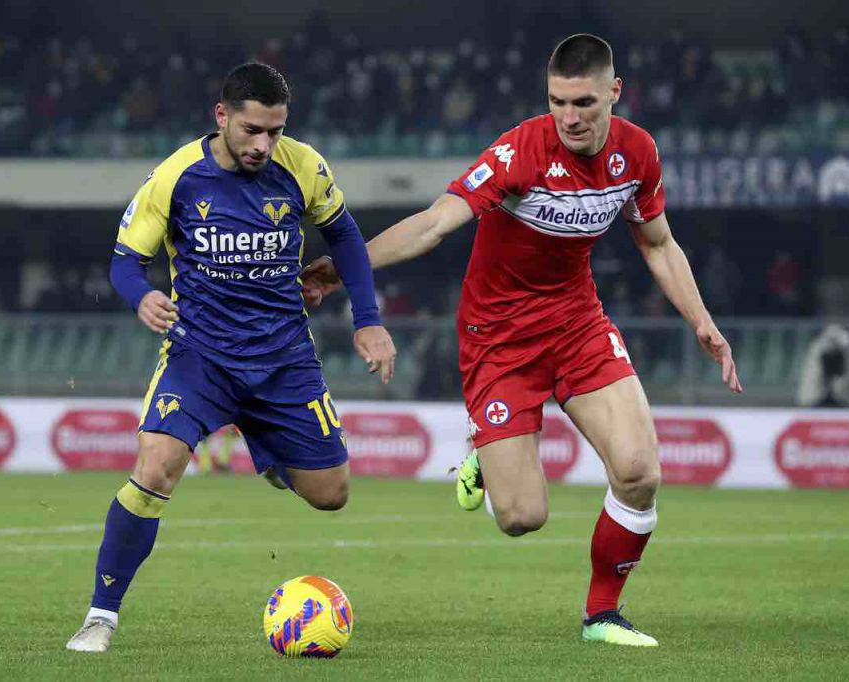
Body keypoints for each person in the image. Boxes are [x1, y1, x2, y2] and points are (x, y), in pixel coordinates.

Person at [302, 34, 742, 647]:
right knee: (520, 517)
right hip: (499, 339)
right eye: (558, 101)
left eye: (584, 102)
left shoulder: (637, 154)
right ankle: (485, 450)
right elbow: (432, 224)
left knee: (640, 471)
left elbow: (658, 242)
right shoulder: (518, 154)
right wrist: (336, 271)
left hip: (578, 324)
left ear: (614, 93)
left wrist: (702, 321)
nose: (569, 117)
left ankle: (602, 614)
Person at [65, 63, 395, 653]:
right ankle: (100, 616)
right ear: (222, 117)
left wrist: (368, 322)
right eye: (253, 130)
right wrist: (142, 296)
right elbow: (123, 260)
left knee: (332, 494)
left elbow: (344, 236)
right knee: (155, 470)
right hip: (201, 357)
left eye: (275, 131)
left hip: (283, 357)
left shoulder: (303, 166)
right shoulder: (176, 176)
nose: (264, 144)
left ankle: (266, 449)